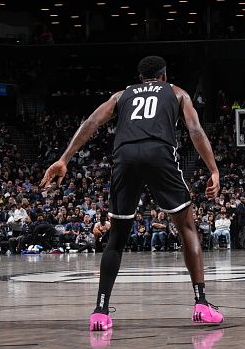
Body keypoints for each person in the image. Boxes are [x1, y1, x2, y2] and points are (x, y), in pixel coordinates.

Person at [40, 56, 223, 330]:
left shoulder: (121, 94)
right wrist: (214, 169)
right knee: (187, 227)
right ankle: (201, 303)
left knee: (117, 236)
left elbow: (91, 122)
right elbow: (195, 129)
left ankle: (100, 312)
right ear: (164, 75)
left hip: (124, 157)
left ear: (140, 78)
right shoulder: (176, 92)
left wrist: (65, 159)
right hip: (159, 152)